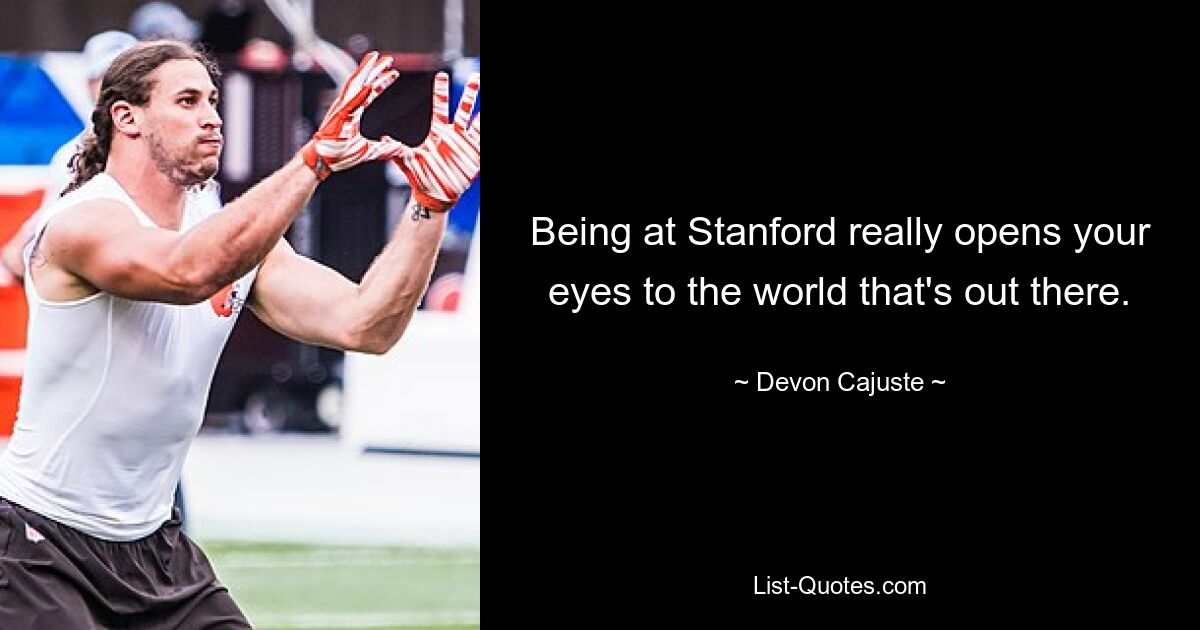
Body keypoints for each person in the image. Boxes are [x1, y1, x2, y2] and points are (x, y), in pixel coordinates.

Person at [0, 40, 480, 628]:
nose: (212, 116)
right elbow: (186, 271)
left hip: (155, 547)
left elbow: (366, 323)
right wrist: (314, 161)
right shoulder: (85, 220)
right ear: (127, 118)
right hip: (36, 545)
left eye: (213, 100)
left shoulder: (228, 235)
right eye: (187, 100)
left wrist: (428, 207)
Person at [0, 30, 139, 286]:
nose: (116, 86)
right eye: (105, 76)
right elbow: (47, 222)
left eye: (127, 77)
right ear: (89, 84)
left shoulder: (171, 145)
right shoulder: (70, 155)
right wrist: (19, 252)